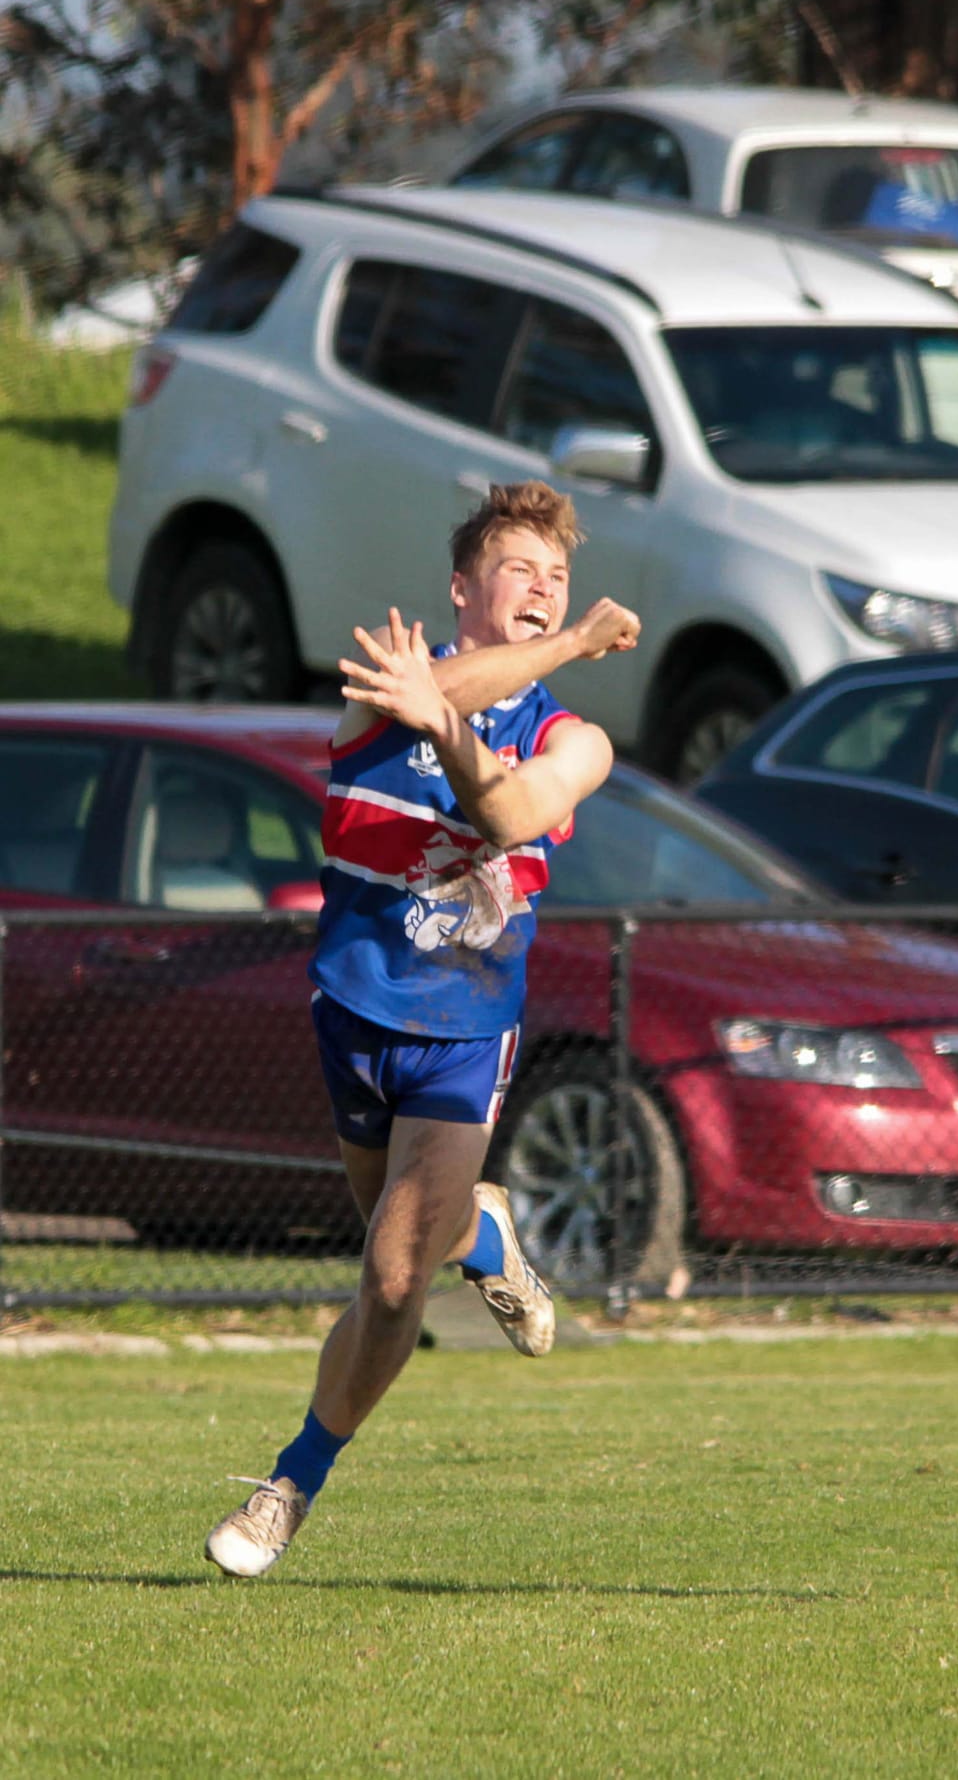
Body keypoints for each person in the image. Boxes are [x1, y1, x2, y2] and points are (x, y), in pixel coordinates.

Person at [204, 480, 641, 1578]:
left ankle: (288, 1483)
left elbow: (504, 813)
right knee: (399, 1254)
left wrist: (478, 706)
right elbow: (429, 696)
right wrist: (538, 658)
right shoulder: (387, 684)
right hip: (352, 1011)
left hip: (463, 1031)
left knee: (395, 1279)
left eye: (559, 581)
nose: (545, 592)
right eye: (519, 572)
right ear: (461, 589)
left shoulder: (575, 736)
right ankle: (481, 1236)